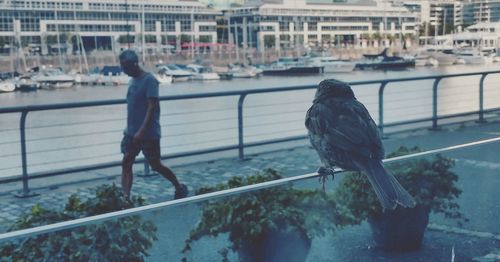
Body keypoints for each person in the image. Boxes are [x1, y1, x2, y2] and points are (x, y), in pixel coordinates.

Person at [119, 49, 188, 200]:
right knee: (126, 161)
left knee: (156, 165)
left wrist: (142, 131)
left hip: (148, 133)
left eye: (125, 67)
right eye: (122, 67)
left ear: (134, 64)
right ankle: (125, 198)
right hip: (131, 132)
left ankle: (179, 186)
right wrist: (131, 130)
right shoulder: (132, 81)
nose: (124, 70)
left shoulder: (149, 80)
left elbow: (152, 107)